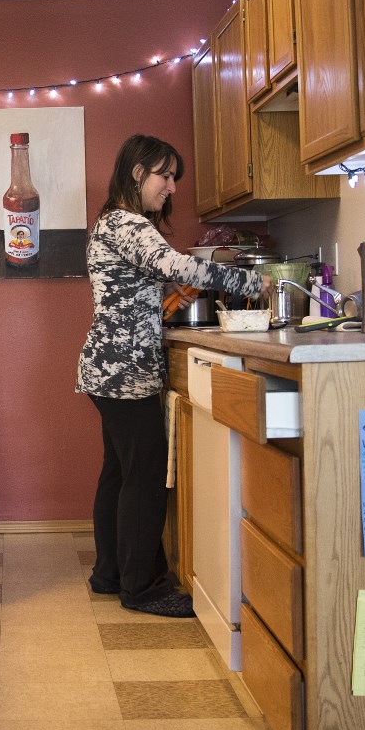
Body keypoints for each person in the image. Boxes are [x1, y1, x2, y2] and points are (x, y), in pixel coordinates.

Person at [77, 134, 270, 617]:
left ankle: (111, 574)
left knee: (120, 473)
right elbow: (180, 264)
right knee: (141, 478)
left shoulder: (112, 223)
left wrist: (165, 301)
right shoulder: (126, 222)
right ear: (138, 172)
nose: (172, 188)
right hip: (125, 371)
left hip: (111, 365)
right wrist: (253, 282)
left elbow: (129, 294)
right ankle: (141, 589)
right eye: (166, 176)